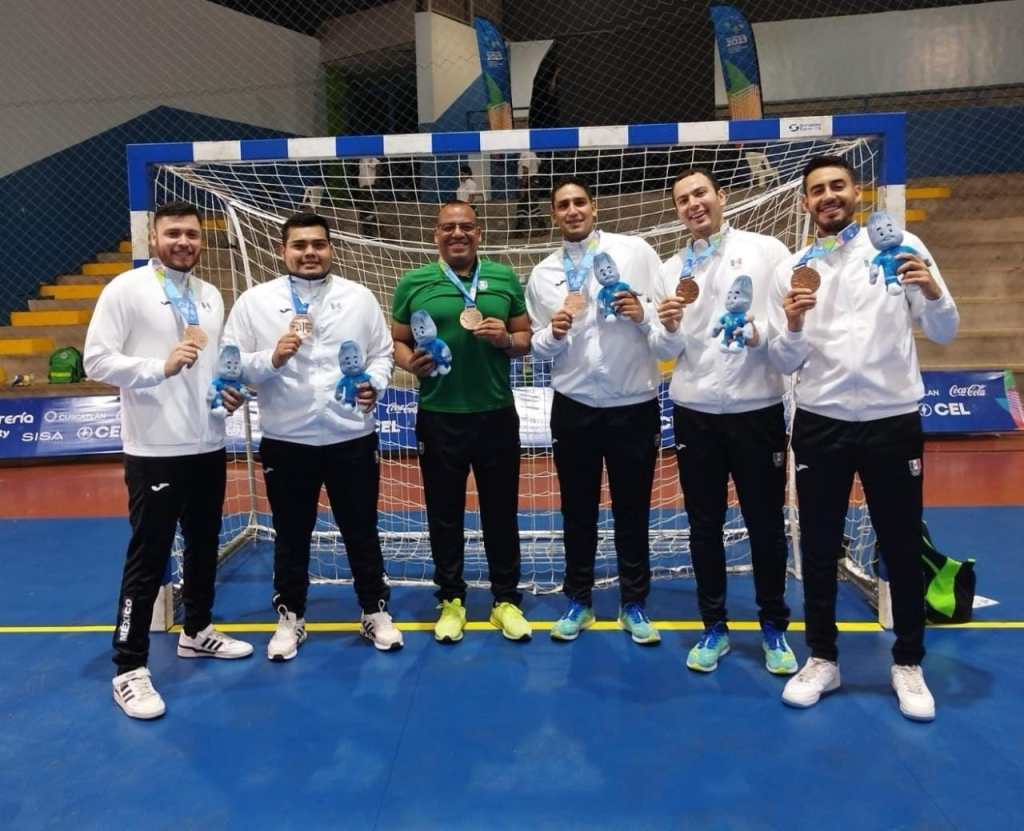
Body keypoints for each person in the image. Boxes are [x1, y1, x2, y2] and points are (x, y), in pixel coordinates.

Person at [768, 155, 959, 721]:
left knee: (900, 543)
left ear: (857, 192)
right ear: (805, 203)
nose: (828, 196)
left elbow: (945, 331)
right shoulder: (794, 268)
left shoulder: (904, 246)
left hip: (891, 418)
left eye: (838, 186)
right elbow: (783, 358)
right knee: (819, 546)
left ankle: (909, 663)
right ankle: (822, 658)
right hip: (821, 420)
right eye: (817, 190)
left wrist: (932, 290)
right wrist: (793, 323)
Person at [84, 202, 253, 720]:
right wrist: (158, 367)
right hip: (154, 450)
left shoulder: (209, 295)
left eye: (192, 234)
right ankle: (129, 667)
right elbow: (96, 360)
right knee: (149, 556)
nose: (184, 241)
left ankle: (197, 630)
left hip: (207, 443)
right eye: (174, 233)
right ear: (153, 238)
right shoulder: (126, 289)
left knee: (204, 544)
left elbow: (214, 366)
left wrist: (228, 393)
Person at [223, 213, 401, 659]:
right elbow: (232, 362)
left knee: (361, 529)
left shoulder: (359, 297)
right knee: (290, 534)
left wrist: (375, 383)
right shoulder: (254, 302)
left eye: (318, 244)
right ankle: (291, 618)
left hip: (352, 436)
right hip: (287, 440)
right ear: (282, 250)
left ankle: (375, 611)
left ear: (331, 248)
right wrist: (272, 358)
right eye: (299, 245)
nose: (309, 253)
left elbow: (382, 354)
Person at [526, 177, 683, 644]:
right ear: (554, 215)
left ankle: (634, 603)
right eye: (563, 205)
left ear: (593, 208)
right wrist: (554, 332)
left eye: (579, 202)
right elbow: (537, 348)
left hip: (634, 406)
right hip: (574, 407)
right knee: (578, 511)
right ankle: (579, 600)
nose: (572, 210)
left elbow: (666, 319)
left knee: (633, 511)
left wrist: (642, 313)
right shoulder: (543, 274)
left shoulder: (636, 251)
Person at [655, 167, 797, 675]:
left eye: (700, 193)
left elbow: (786, 328)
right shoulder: (671, 269)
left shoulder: (767, 250)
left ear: (721, 195)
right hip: (694, 413)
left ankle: (774, 627)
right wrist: (669, 326)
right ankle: (713, 626)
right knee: (704, 525)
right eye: (683, 199)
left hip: (757, 409)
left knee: (766, 524)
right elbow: (664, 349)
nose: (693, 204)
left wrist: (756, 334)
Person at [391, 200, 533, 643]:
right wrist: (408, 363)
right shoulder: (414, 282)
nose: (458, 234)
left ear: (478, 232)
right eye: (449, 227)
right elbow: (397, 340)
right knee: (444, 514)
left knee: (501, 512)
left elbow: (525, 339)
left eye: (466, 227)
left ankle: (505, 600)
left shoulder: (504, 278)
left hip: (496, 414)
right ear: (436, 234)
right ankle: (451, 599)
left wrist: (506, 339)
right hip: (439, 416)